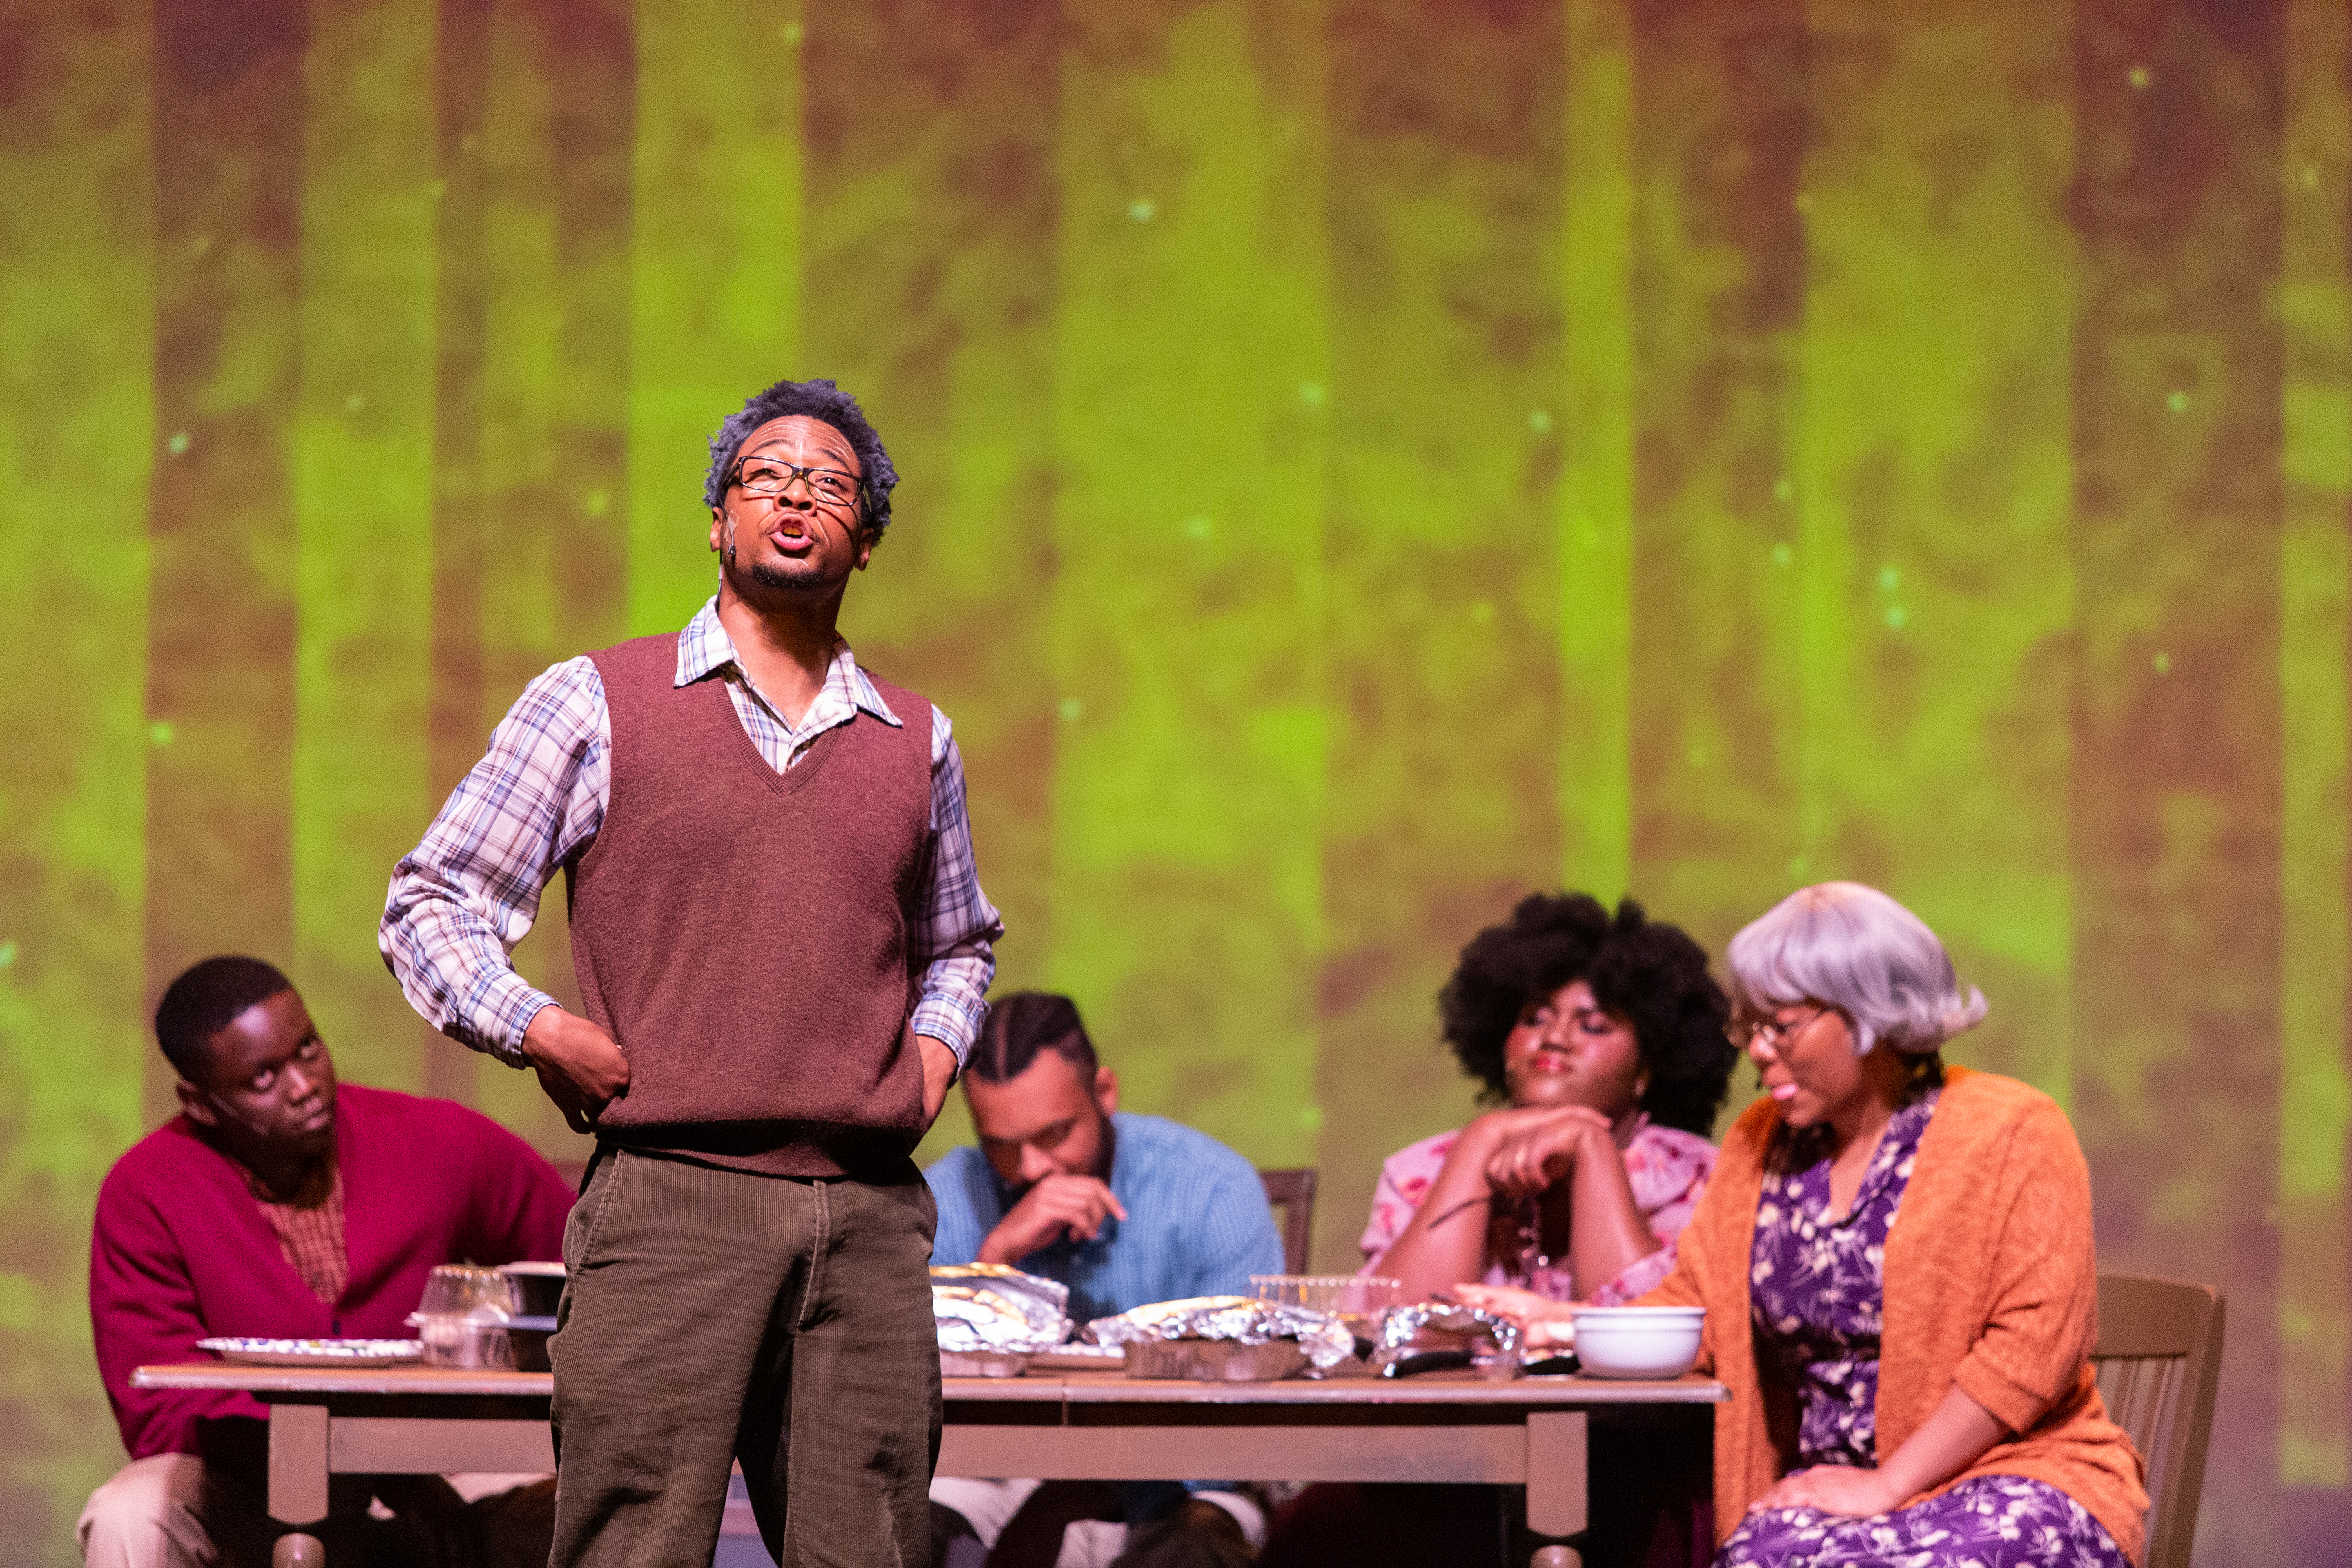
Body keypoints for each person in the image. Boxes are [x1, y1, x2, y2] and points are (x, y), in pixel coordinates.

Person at [380, 378, 1003, 1568]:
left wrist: (932, 1053)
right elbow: (435, 899)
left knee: (871, 1545)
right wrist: (539, 1026)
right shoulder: (598, 699)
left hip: (867, 1210)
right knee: (633, 1547)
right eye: (767, 474)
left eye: (831, 483)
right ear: (716, 520)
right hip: (674, 1198)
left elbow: (959, 938)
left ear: (865, 539)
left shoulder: (915, 739)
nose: (797, 496)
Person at [1460, 882, 2150, 1568]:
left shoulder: (2011, 1129)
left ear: (1870, 1013)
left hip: (2017, 1483)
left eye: (1781, 1026)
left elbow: (2032, 1348)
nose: (1758, 1050)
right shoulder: (1762, 1141)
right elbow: (1699, 1315)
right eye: (1748, 1027)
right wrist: (1562, 1323)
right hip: (1829, 1503)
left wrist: (1889, 1485)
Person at [81, 956, 575, 1568]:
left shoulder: (435, 1141)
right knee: (131, 1515)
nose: (303, 1085)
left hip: (440, 1462)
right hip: (248, 1481)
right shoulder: (146, 1191)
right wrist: (354, 1462)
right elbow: (158, 1406)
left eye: (307, 1049)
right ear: (200, 1102)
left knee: (593, 1510)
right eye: (263, 1078)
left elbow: (578, 1263)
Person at [926, 992, 1283, 1568]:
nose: (1032, 1168)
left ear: (1106, 1094)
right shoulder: (950, 1193)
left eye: (1053, 1135)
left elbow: (1244, 1394)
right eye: (1001, 1145)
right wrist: (996, 1260)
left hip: (1183, 1474)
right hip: (998, 1470)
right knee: (900, 1524)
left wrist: (1088, 1489)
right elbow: (912, 1387)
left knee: (1196, 1542)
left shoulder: (1213, 1189)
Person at [1362, 893, 1737, 1308]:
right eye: (1534, 1019)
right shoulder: (1420, 1171)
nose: (1555, 1037)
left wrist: (1591, 1145)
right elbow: (1400, 1334)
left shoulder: (1702, 1180)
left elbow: (1640, 1344)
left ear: (1646, 1068)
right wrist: (1482, 1139)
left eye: (1593, 1026)